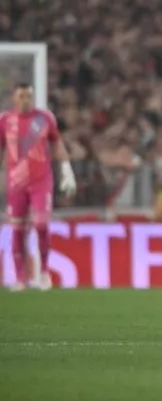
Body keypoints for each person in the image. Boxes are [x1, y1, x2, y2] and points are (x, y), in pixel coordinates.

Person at [0, 83, 77, 291]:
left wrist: (66, 169)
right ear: (14, 98)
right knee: (17, 229)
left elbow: (57, 143)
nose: (26, 100)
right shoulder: (5, 120)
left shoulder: (45, 118)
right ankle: (19, 278)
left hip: (41, 180)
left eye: (29, 96)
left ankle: (43, 273)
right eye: (22, 96)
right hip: (16, 182)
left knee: (41, 225)